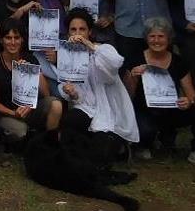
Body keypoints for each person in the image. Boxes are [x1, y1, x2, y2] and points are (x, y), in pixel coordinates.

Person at [123, 18, 195, 168]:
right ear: (146, 38)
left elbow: (191, 94)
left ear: (169, 38)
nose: (156, 41)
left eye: (161, 36)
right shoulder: (135, 59)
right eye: (152, 36)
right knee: (146, 130)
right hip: (143, 110)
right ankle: (144, 143)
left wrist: (188, 101)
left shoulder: (179, 61)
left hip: (171, 109)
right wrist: (133, 77)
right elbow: (128, 96)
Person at [55, 8, 139, 147]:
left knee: (103, 142)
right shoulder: (67, 57)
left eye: (82, 29)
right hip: (87, 109)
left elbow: (116, 62)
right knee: (71, 121)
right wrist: (73, 93)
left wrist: (89, 45)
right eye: (73, 30)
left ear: (90, 32)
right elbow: (79, 94)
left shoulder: (103, 49)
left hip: (111, 110)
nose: (77, 34)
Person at [0, 18, 63, 148]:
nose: (13, 42)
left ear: (22, 39)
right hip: (5, 112)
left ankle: (51, 144)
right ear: (1, 40)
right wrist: (13, 113)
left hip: (29, 109)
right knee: (21, 131)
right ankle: (18, 141)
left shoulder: (30, 58)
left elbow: (46, 93)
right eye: (8, 38)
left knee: (56, 104)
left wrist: (33, 72)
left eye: (17, 37)